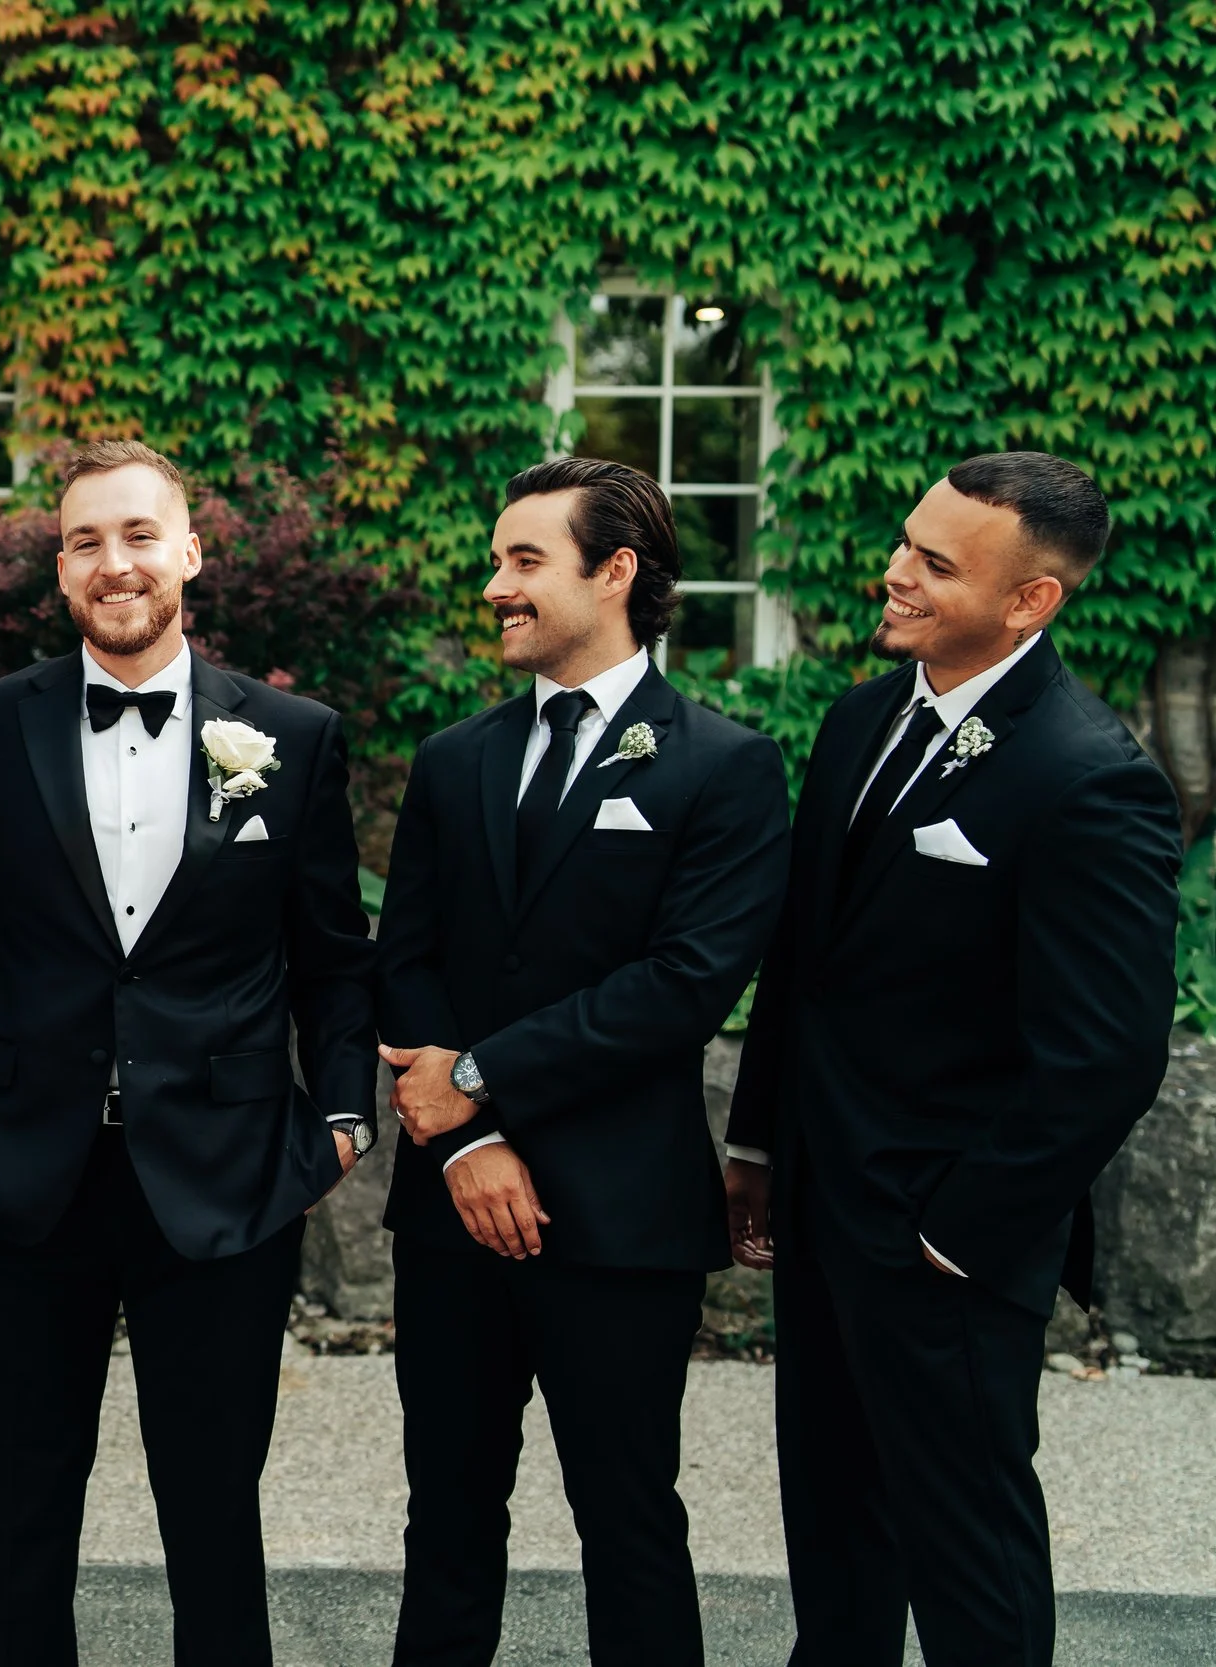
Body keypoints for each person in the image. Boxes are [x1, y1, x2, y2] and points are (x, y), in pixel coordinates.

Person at [0, 439, 376, 1667]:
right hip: (26, 1172)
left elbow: (333, 953)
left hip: (225, 1172)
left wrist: (339, 1119)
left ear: (188, 551)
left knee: (215, 1503)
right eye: (82, 541)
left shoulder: (292, 734)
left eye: (134, 535)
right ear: (60, 568)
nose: (111, 563)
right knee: (19, 1503)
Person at [723, 451, 1180, 1667]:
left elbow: (1105, 1052)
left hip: (946, 1242)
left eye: (934, 562)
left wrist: (958, 1231)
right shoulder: (861, 717)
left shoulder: (1090, 776)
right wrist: (760, 1140)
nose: (895, 573)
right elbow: (805, 959)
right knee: (832, 1523)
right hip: (821, 1207)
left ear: (1030, 601)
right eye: (904, 543)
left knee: (965, 1544)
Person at [373, 456, 788, 1665]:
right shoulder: (456, 757)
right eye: (496, 559)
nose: (494, 583)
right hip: (454, 1200)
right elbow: (405, 962)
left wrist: (480, 1076)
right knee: (444, 1513)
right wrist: (470, 1137)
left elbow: (679, 988)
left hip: (620, 1215)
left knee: (628, 1517)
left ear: (614, 572)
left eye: (522, 560)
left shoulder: (722, 763)